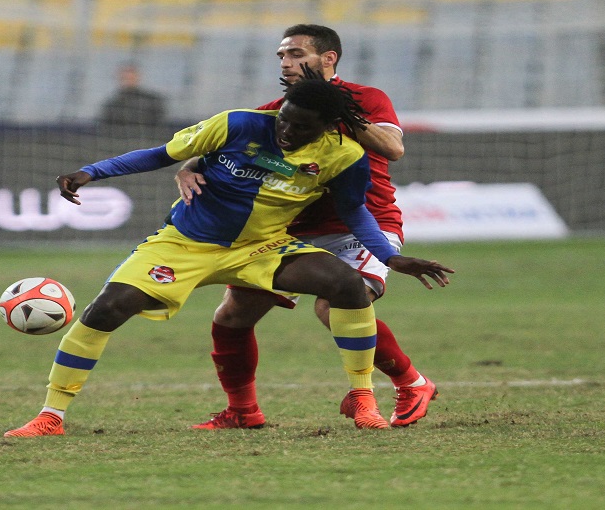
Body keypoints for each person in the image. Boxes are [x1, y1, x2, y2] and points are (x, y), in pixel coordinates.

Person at [3, 70, 454, 438]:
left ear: (328, 127)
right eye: (285, 119)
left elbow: (354, 212)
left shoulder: (344, 155)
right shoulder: (237, 124)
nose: (288, 130)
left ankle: (362, 399)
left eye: (301, 127)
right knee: (106, 309)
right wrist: (90, 173)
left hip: (263, 246)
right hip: (186, 242)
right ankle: (51, 416)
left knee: (345, 285)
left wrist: (390, 258)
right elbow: (160, 155)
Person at [178, 24, 435, 430]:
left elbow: (393, 149)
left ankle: (411, 383)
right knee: (232, 316)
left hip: (361, 226)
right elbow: (215, 149)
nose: (286, 62)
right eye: (282, 56)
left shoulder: (366, 99)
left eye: (296, 54)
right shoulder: (277, 111)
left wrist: (343, 113)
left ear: (328, 58)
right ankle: (243, 412)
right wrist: (187, 169)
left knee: (333, 306)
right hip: (291, 233)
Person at [96, 64, 166, 130]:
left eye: (131, 78)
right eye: (125, 78)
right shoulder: (112, 104)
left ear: (137, 77)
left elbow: (160, 121)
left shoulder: (152, 100)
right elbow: (105, 125)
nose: (128, 81)